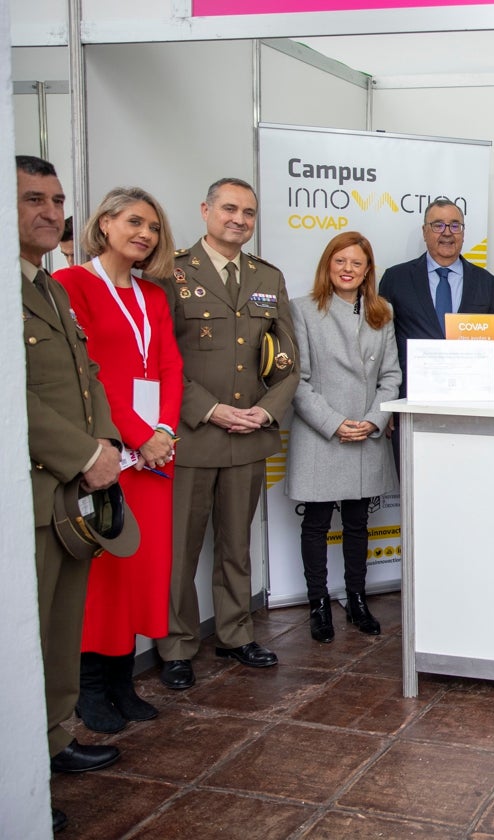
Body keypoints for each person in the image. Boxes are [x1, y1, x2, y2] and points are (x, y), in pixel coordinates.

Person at [156, 177, 300, 689]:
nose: (239, 219)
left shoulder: (267, 276)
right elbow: (162, 357)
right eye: (230, 209)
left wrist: (265, 412)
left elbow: (287, 360)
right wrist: (209, 409)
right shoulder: (171, 271)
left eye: (249, 212)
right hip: (192, 435)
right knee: (181, 550)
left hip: (248, 436)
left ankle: (236, 634)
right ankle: (176, 644)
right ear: (206, 210)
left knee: (236, 545)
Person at [18, 155, 123, 833]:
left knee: (60, 627)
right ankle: (21, 768)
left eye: (57, 200)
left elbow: (88, 377)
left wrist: (107, 443)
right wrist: (84, 453)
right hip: (33, 490)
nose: (51, 212)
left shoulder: (52, 286)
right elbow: (14, 400)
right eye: (33, 200)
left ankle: (55, 740)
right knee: (25, 635)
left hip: (73, 493)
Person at [54, 187, 183, 734]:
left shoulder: (153, 294)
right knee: (101, 573)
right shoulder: (71, 284)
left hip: (153, 457)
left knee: (137, 569)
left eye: (152, 227)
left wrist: (164, 430)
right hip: (107, 453)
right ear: (103, 224)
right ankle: (88, 689)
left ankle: (122, 679)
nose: (145, 234)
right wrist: (136, 435)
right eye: (134, 222)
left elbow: (171, 367)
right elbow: (89, 376)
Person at [287, 232, 402, 642]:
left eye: (357, 263)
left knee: (357, 524)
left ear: (368, 269)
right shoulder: (302, 310)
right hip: (323, 434)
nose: (348, 269)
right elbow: (295, 380)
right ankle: (318, 605)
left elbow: (391, 376)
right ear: (328, 265)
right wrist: (334, 422)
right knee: (316, 524)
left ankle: (357, 599)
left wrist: (372, 420)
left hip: (365, 433)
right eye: (341, 261)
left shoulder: (381, 312)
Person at [378, 199, 494, 397]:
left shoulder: (486, 282)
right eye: (438, 225)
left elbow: (491, 347)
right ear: (424, 232)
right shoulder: (395, 279)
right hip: (409, 397)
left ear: (463, 232)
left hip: (470, 396)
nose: (447, 232)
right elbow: (381, 344)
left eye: (454, 225)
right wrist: (385, 400)